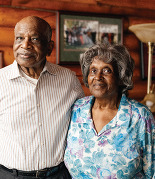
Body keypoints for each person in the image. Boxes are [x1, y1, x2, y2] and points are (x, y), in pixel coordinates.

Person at [0, 16, 84, 179]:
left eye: (34, 39)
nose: (25, 45)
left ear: (49, 47)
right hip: (8, 175)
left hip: (58, 174)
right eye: (20, 38)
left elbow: (82, 127)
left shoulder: (68, 80)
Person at [64, 43, 155, 178]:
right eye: (93, 70)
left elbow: (152, 171)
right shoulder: (77, 109)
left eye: (107, 70)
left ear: (121, 77)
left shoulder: (139, 116)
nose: (98, 76)